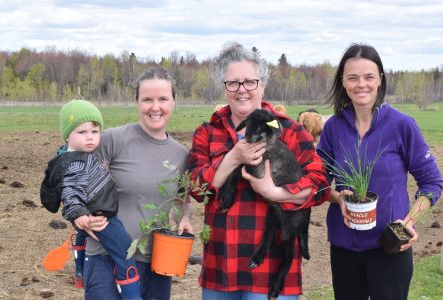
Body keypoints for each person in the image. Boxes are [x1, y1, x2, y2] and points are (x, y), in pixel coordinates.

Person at [187, 42, 330, 300]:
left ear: (262, 84)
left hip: (271, 269)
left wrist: (276, 194)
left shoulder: (291, 130)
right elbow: (195, 189)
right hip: (221, 269)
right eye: (233, 83)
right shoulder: (208, 133)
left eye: (250, 82)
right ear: (224, 88)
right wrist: (232, 158)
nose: (242, 90)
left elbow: (320, 186)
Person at [317, 43, 443, 300]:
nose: (361, 84)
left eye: (368, 77)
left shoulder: (402, 125)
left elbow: (432, 183)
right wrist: (337, 197)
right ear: (343, 81)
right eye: (353, 77)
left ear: (380, 80)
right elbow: (317, 182)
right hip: (343, 248)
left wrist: (408, 223)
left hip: (390, 247)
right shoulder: (333, 128)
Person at [80, 67, 193, 300]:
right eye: (147, 99)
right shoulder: (113, 140)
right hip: (106, 257)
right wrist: (78, 216)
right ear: (137, 102)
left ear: (173, 102)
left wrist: (186, 217)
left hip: (157, 261)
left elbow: (182, 200)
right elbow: (72, 177)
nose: (155, 107)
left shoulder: (181, 155)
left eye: (163, 99)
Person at [41, 99, 142, 299]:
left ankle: (79, 272)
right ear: (67, 135)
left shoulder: (78, 155)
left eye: (95, 132)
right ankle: (132, 294)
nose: (90, 137)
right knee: (125, 253)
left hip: (95, 213)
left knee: (82, 236)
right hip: (102, 218)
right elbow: (70, 191)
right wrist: (78, 214)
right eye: (82, 132)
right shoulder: (75, 163)